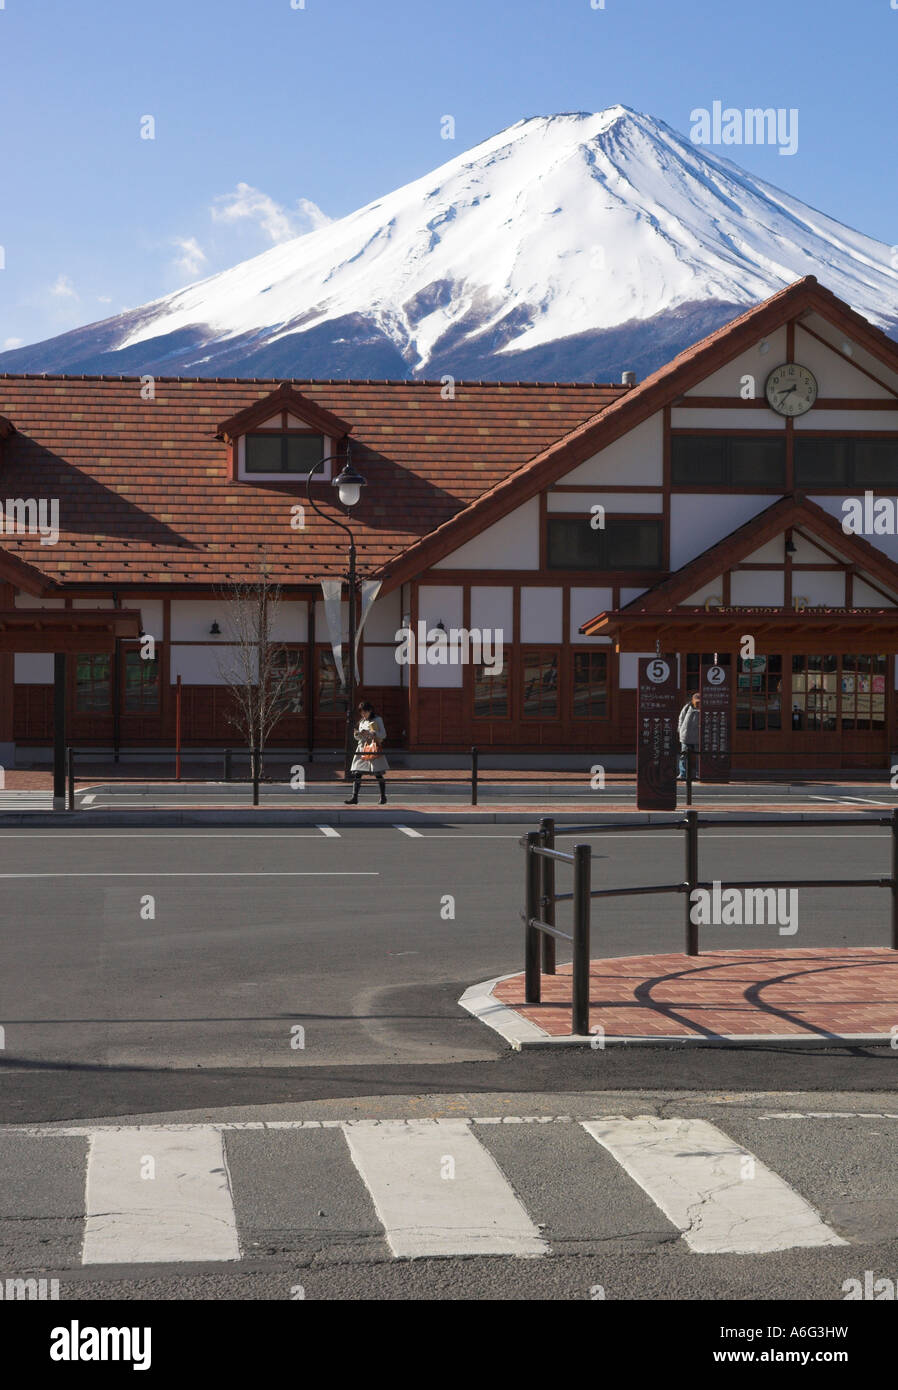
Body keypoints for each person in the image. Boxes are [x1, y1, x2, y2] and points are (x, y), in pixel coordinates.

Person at [345, 700, 389, 805]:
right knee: (357, 773)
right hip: (362, 748)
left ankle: (383, 797)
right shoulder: (362, 721)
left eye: (364, 712)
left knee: (378, 773)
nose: (363, 714)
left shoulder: (377, 720)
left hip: (373, 748)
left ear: (370, 710)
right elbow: (358, 737)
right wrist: (358, 734)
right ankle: (354, 797)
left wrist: (372, 733)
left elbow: (383, 734)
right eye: (361, 712)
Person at [677, 691, 700, 781]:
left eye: (699, 702)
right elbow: (681, 719)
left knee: (699, 756)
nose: (698, 704)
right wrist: (680, 731)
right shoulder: (687, 707)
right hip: (686, 736)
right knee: (684, 756)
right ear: (693, 700)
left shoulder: (705, 709)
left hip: (698, 737)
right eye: (696, 702)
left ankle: (698, 773)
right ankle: (683, 774)